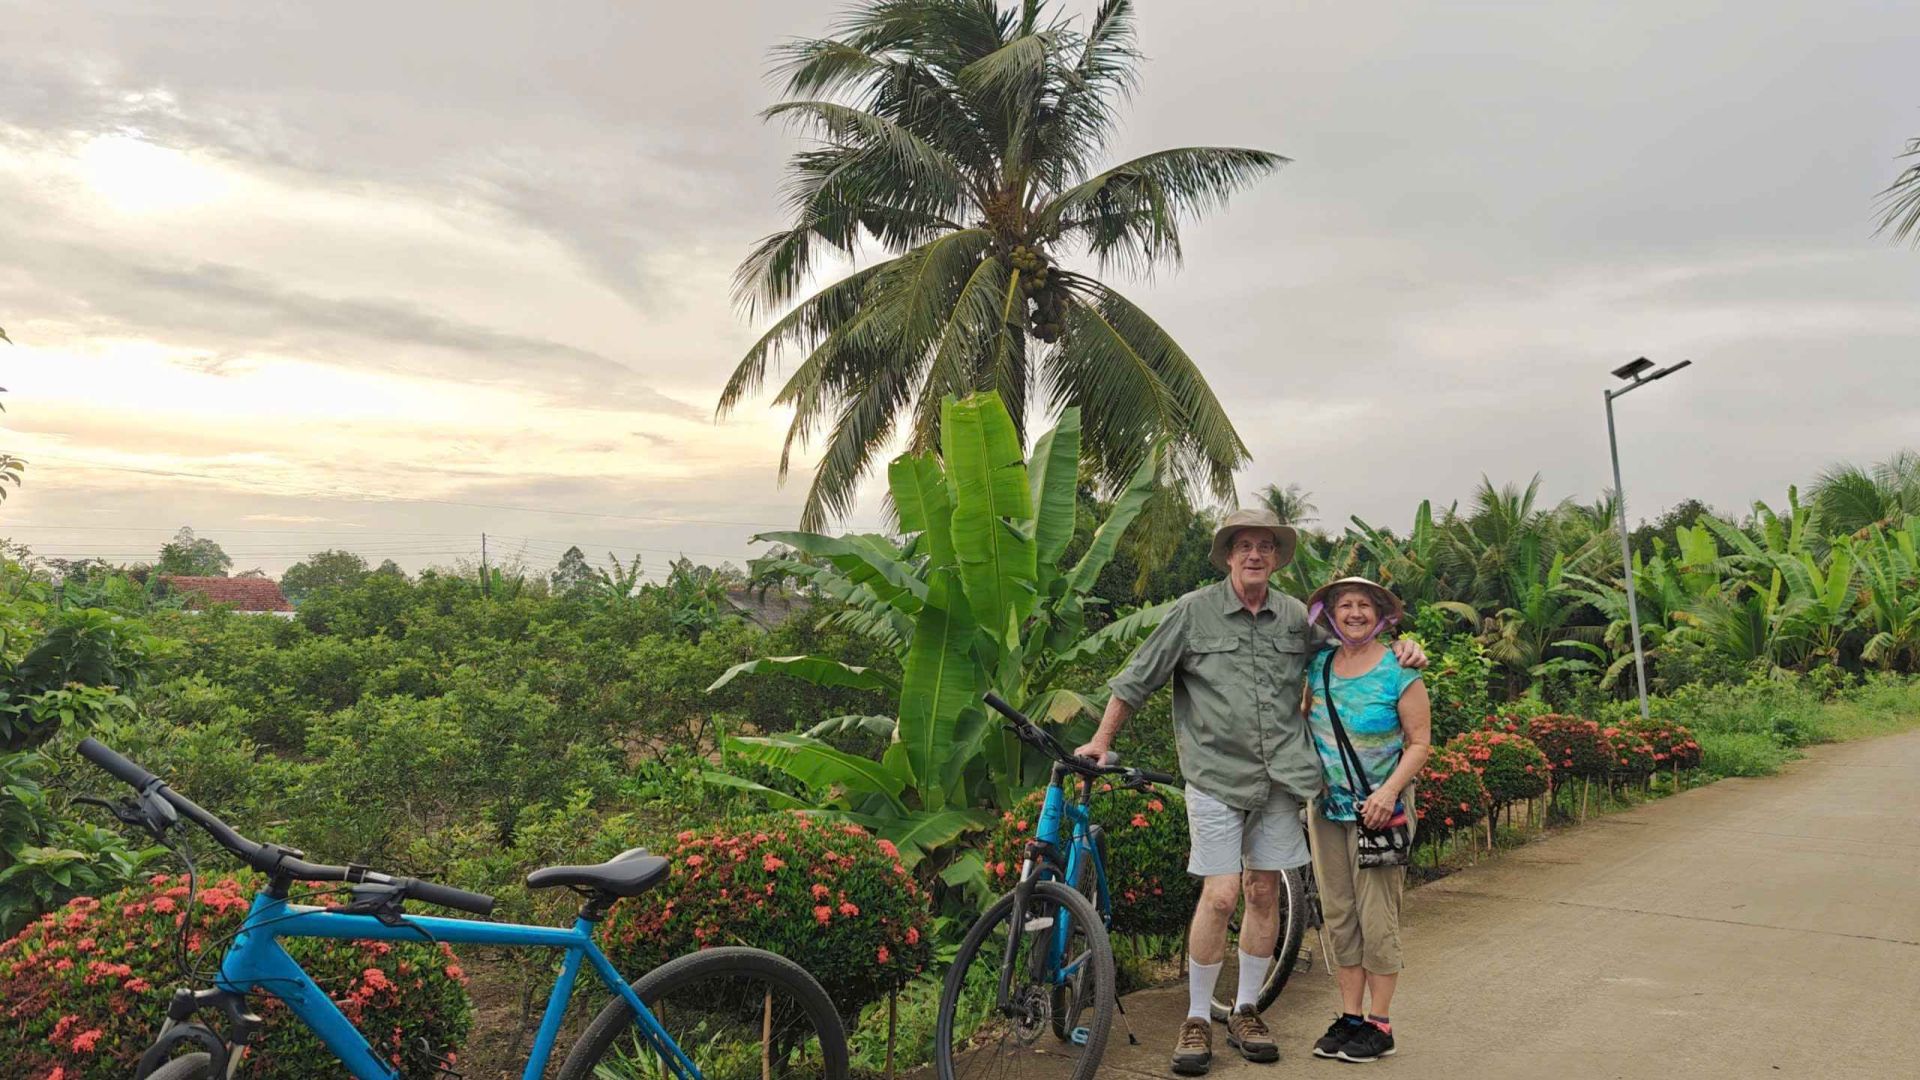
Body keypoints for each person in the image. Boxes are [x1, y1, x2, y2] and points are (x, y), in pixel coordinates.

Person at [1077, 509, 1427, 1076]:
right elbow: (1136, 678)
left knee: (1264, 893)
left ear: (1277, 556)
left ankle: (1245, 1009)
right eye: (1244, 545)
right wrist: (1100, 739)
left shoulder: (1294, 617)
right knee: (1220, 895)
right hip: (1216, 777)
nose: (1255, 554)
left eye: (1266, 545)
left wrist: (1405, 648)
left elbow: (1353, 645)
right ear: (1228, 555)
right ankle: (1195, 1017)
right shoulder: (1194, 612)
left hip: (1282, 781)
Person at [1300, 576, 1432, 1064]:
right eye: (1345, 605)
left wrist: (1388, 791)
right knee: (1339, 915)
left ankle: (1381, 1023)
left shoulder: (1400, 669)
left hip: (1383, 811)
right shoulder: (1318, 666)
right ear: (1332, 615)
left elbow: (1419, 743)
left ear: (1382, 614)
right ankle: (1351, 1016)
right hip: (1327, 812)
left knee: (1378, 917)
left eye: (1364, 605)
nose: (1354, 613)